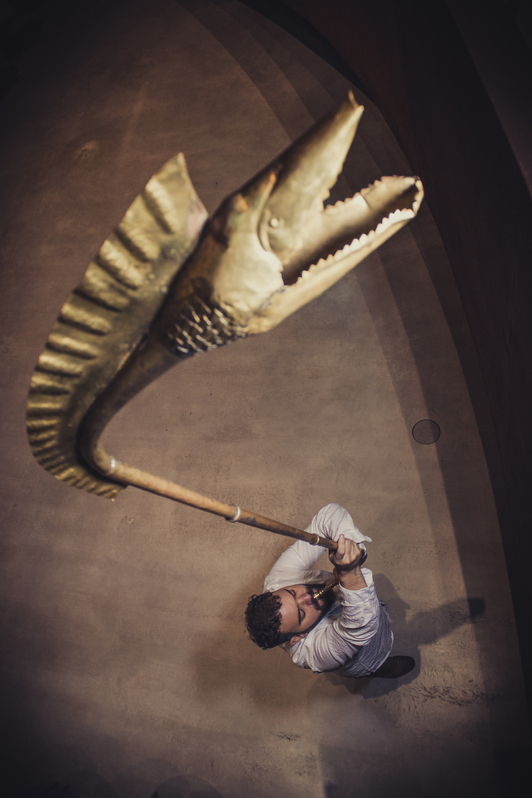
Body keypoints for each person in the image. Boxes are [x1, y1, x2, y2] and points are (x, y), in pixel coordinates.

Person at [245, 503, 415, 679]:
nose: (307, 597)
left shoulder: (277, 581)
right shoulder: (317, 655)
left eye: (293, 593)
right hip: (366, 654)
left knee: (377, 610)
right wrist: (349, 572)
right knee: (373, 661)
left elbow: (327, 516)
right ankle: (380, 669)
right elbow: (361, 625)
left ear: (275, 590)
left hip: (368, 606)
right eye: (302, 613)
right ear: (298, 637)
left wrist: (352, 545)